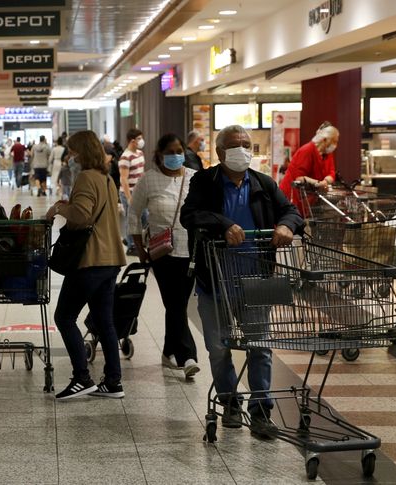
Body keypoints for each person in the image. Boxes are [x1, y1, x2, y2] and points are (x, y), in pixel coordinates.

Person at [180, 124, 303, 439]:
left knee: (259, 348)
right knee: (218, 348)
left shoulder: (263, 183)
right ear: (221, 152)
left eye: (247, 145)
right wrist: (223, 224)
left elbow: (291, 211)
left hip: (257, 280)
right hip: (215, 280)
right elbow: (189, 215)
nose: (243, 150)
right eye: (236, 145)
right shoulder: (205, 181)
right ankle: (230, 402)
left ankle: (261, 412)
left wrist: (287, 225)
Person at [45, 131, 127, 400]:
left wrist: (59, 208)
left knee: (64, 317)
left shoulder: (85, 177)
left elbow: (81, 215)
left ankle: (82, 378)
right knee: (105, 323)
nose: (71, 156)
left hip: (90, 260)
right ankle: (113, 382)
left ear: (82, 152)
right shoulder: (106, 178)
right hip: (110, 259)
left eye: (73, 151)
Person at [129, 133, 200, 380]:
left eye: (179, 151)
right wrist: (139, 247)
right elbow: (134, 213)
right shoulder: (149, 180)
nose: (175, 156)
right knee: (175, 302)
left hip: (191, 252)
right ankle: (187, 356)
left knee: (177, 304)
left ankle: (169, 351)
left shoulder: (194, 178)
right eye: (170, 152)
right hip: (162, 253)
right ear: (159, 155)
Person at [278, 123, 339, 209]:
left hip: (308, 198)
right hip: (292, 196)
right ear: (324, 140)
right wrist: (319, 183)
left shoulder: (327, 153)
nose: (335, 145)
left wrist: (326, 181)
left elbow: (331, 172)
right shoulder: (307, 150)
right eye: (334, 141)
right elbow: (298, 178)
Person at [119, 129, 146, 255]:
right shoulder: (125, 157)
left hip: (140, 192)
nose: (141, 141)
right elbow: (123, 179)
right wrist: (129, 197)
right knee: (132, 219)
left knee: (145, 217)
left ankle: (128, 238)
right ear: (132, 141)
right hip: (129, 192)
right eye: (139, 138)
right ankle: (131, 246)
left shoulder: (140, 153)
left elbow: (141, 172)